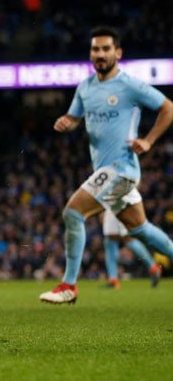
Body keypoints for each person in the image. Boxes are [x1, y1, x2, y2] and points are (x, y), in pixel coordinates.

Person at [40, 26, 173, 304]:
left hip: (121, 169)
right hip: (104, 170)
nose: (99, 54)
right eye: (95, 49)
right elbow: (74, 117)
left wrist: (148, 141)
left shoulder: (130, 86)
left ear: (118, 53)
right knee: (140, 229)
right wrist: (67, 123)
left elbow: (168, 108)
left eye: (105, 49)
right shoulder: (85, 88)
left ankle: (69, 286)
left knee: (73, 213)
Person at [101, 211, 162, 289]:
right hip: (111, 206)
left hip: (119, 204)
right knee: (111, 239)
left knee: (128, 238)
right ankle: (113, 279)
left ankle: (153, 267)